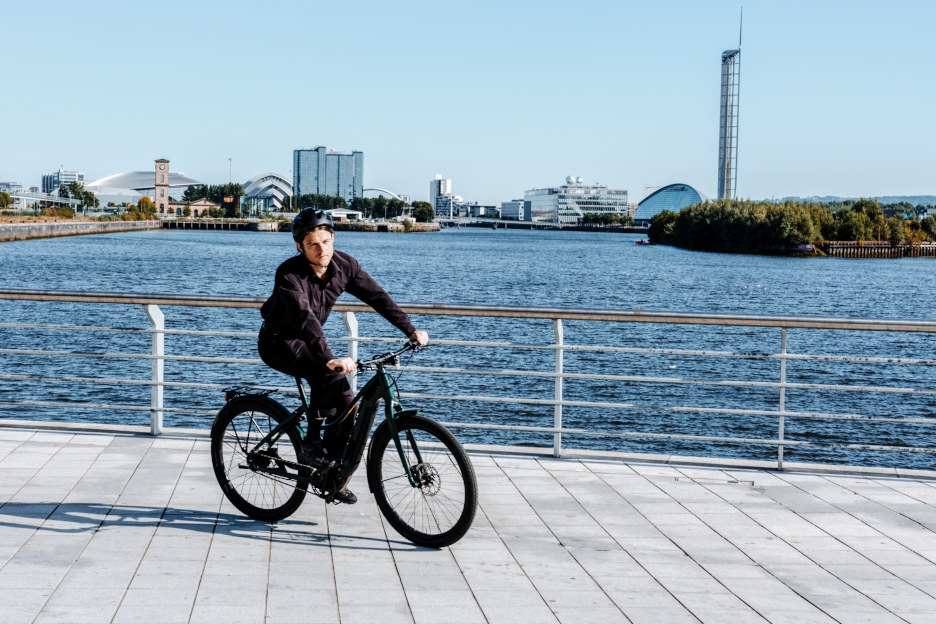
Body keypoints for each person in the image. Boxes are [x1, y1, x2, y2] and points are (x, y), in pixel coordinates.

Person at [257, 208, 428, 504]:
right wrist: (329, 357)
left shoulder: (345, 266)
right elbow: (305, 318)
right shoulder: (289, 274)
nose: (321, 249)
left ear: (333, 238)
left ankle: (332, 474)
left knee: (350, 404)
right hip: (278, 342)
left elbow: (378, 297)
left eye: (326, 241)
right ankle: (312, 445)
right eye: (312, 244)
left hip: (309, 341)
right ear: (300, 247)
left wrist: (409, 329)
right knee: (326, 373)